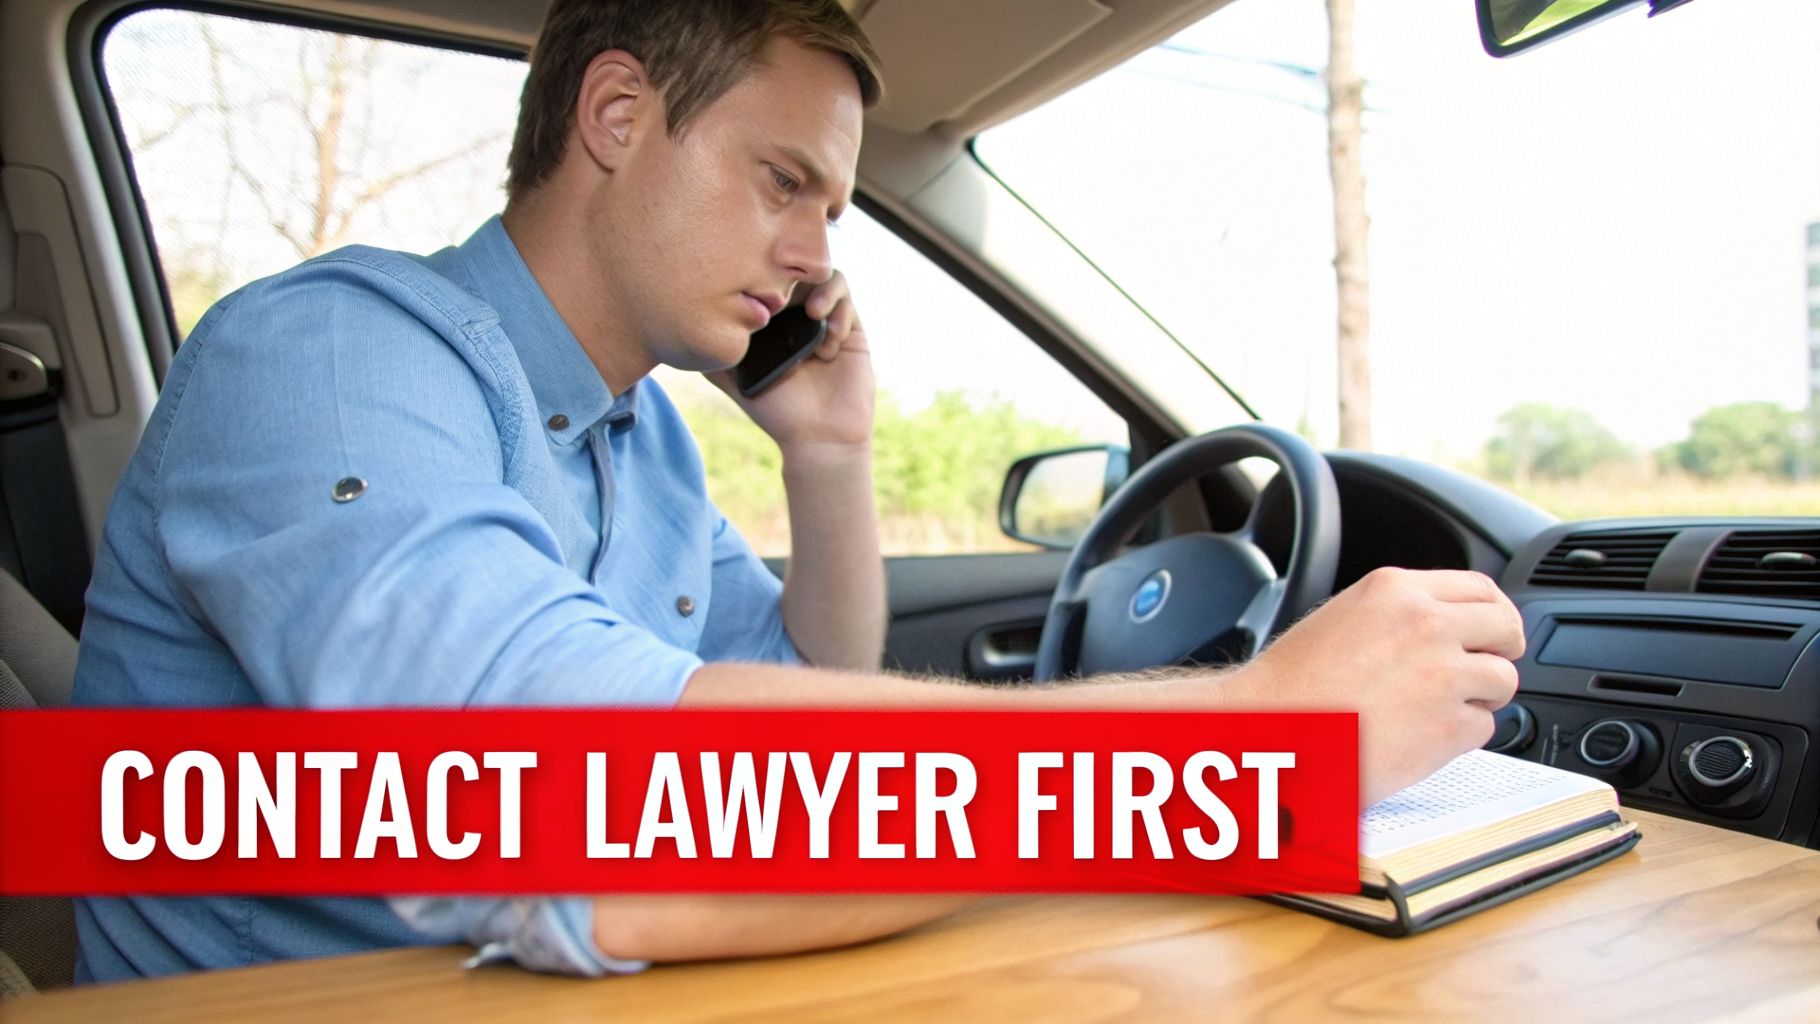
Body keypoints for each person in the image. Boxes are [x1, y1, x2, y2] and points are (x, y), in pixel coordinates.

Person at [70, 0, 1525, 981]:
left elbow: (801, 735)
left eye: (831, 206)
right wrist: (1251, 739)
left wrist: (827, 465)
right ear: (620, 116)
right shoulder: (324, 354)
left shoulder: (641, 439)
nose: (820, 256)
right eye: (785, 182)